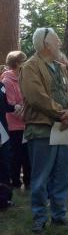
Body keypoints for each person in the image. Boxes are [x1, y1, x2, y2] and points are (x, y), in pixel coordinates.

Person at [20, 27, 68, 233]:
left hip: (63, 127)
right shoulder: (30, 66)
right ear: (46, 44)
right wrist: (61, 113)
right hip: (41, 129)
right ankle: (39, 217)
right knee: (41, 176)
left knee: (62, 174)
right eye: (56, 41)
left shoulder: (62, 67)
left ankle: (59, 215)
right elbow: (36, 97)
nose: (60, 44)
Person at [1, 51, 31, 190]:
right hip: (14, 126)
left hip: (26, 124)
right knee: (16, 156)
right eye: (24, 61)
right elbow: (12, 106)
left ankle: (28, 181)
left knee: (27, 155)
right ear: (17, 63)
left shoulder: (24, 78)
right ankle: (15, 183)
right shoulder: (7, 81)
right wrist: (29, 116)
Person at [0, 81, 15, 210]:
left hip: (3, 132)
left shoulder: (1, 85)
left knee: (4, 164)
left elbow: (5, 106)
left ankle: (4, 199)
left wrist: (15, 107)